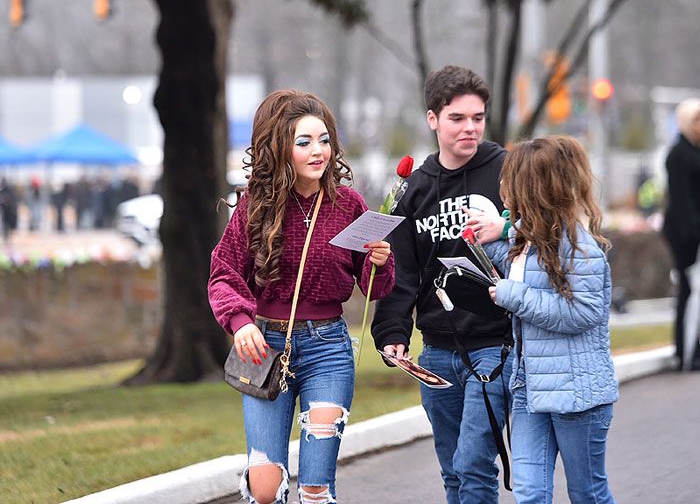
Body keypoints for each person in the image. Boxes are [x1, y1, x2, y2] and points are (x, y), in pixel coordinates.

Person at [208, 89, 395, 504]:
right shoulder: (256, 206)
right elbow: (223, 274)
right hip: (264, 347)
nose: (319, 151)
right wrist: (239, 324)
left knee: (314, 485)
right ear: (280, 149)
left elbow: (375, 287)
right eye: (304, 142)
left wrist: (379, 261)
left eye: (325, 140)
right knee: (264, 487)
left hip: (328, 346)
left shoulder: (348, 204)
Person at [371, 65, 512, 504]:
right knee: (452, 468)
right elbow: (402, 271)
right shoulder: (414, 187)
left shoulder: (508, 169)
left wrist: (506, 228)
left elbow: (544, 233)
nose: (470, 128)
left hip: (494, 345)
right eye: (457, 118)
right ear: (432, 119)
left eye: (478, 117)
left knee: (473, 462)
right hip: (436, 351)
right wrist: (393, 331)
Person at [483, 135, 619, 503]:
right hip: (529, 388)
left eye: (509, 181)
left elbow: (584, 313)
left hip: (578, 394)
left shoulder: (580, 247)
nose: (501, 189)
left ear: (534, 188)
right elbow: (523, 273)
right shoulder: (527, 238)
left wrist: (514, 296)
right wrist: (485, 244)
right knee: (529, 491)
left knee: (587, 492)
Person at [662, 98, 700, 371]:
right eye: (696, 119)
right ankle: (686, 351)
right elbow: (682, 202)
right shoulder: (678, 154)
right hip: (687, 236)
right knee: (689, 291)